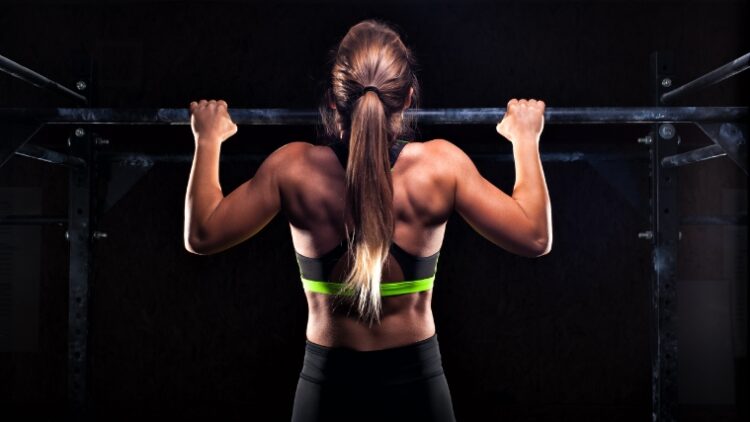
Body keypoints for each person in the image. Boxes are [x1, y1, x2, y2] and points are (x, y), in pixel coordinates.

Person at [184, 18, 551, 422]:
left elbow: (202, 233)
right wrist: (524, 141)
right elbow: (534, 236)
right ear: (409, 97)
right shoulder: (441, 168)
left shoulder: (292, 170)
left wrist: (208, 140)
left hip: (328, 392)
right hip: (418, 392)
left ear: (332, 100)